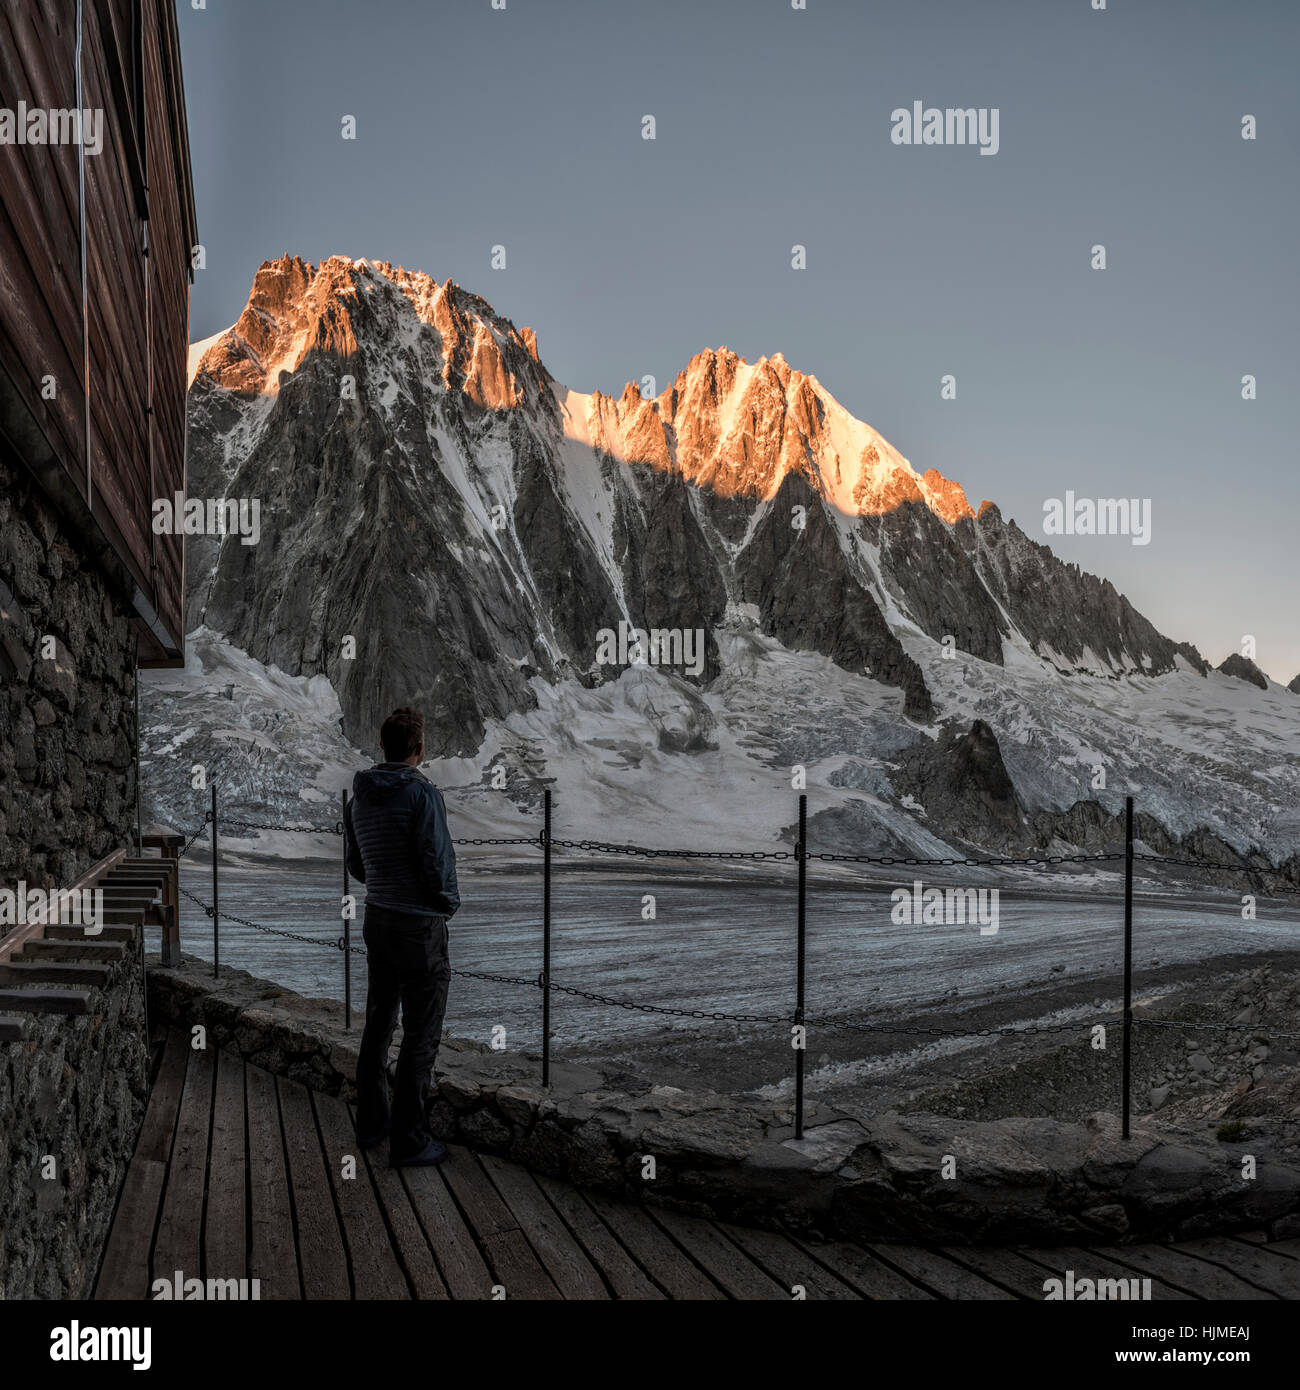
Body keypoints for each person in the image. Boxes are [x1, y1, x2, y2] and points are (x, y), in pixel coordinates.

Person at [344, 706, 460, 1166]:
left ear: (383, 745)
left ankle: (371, 1123)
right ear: (420, 748)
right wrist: (446, 904)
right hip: (418, 926)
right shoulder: (422, 795)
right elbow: (437, 862)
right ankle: (409, 1141)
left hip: (378, 918)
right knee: (421, 1032)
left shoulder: (360, 798)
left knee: (378, 1023)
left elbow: (357, 865)